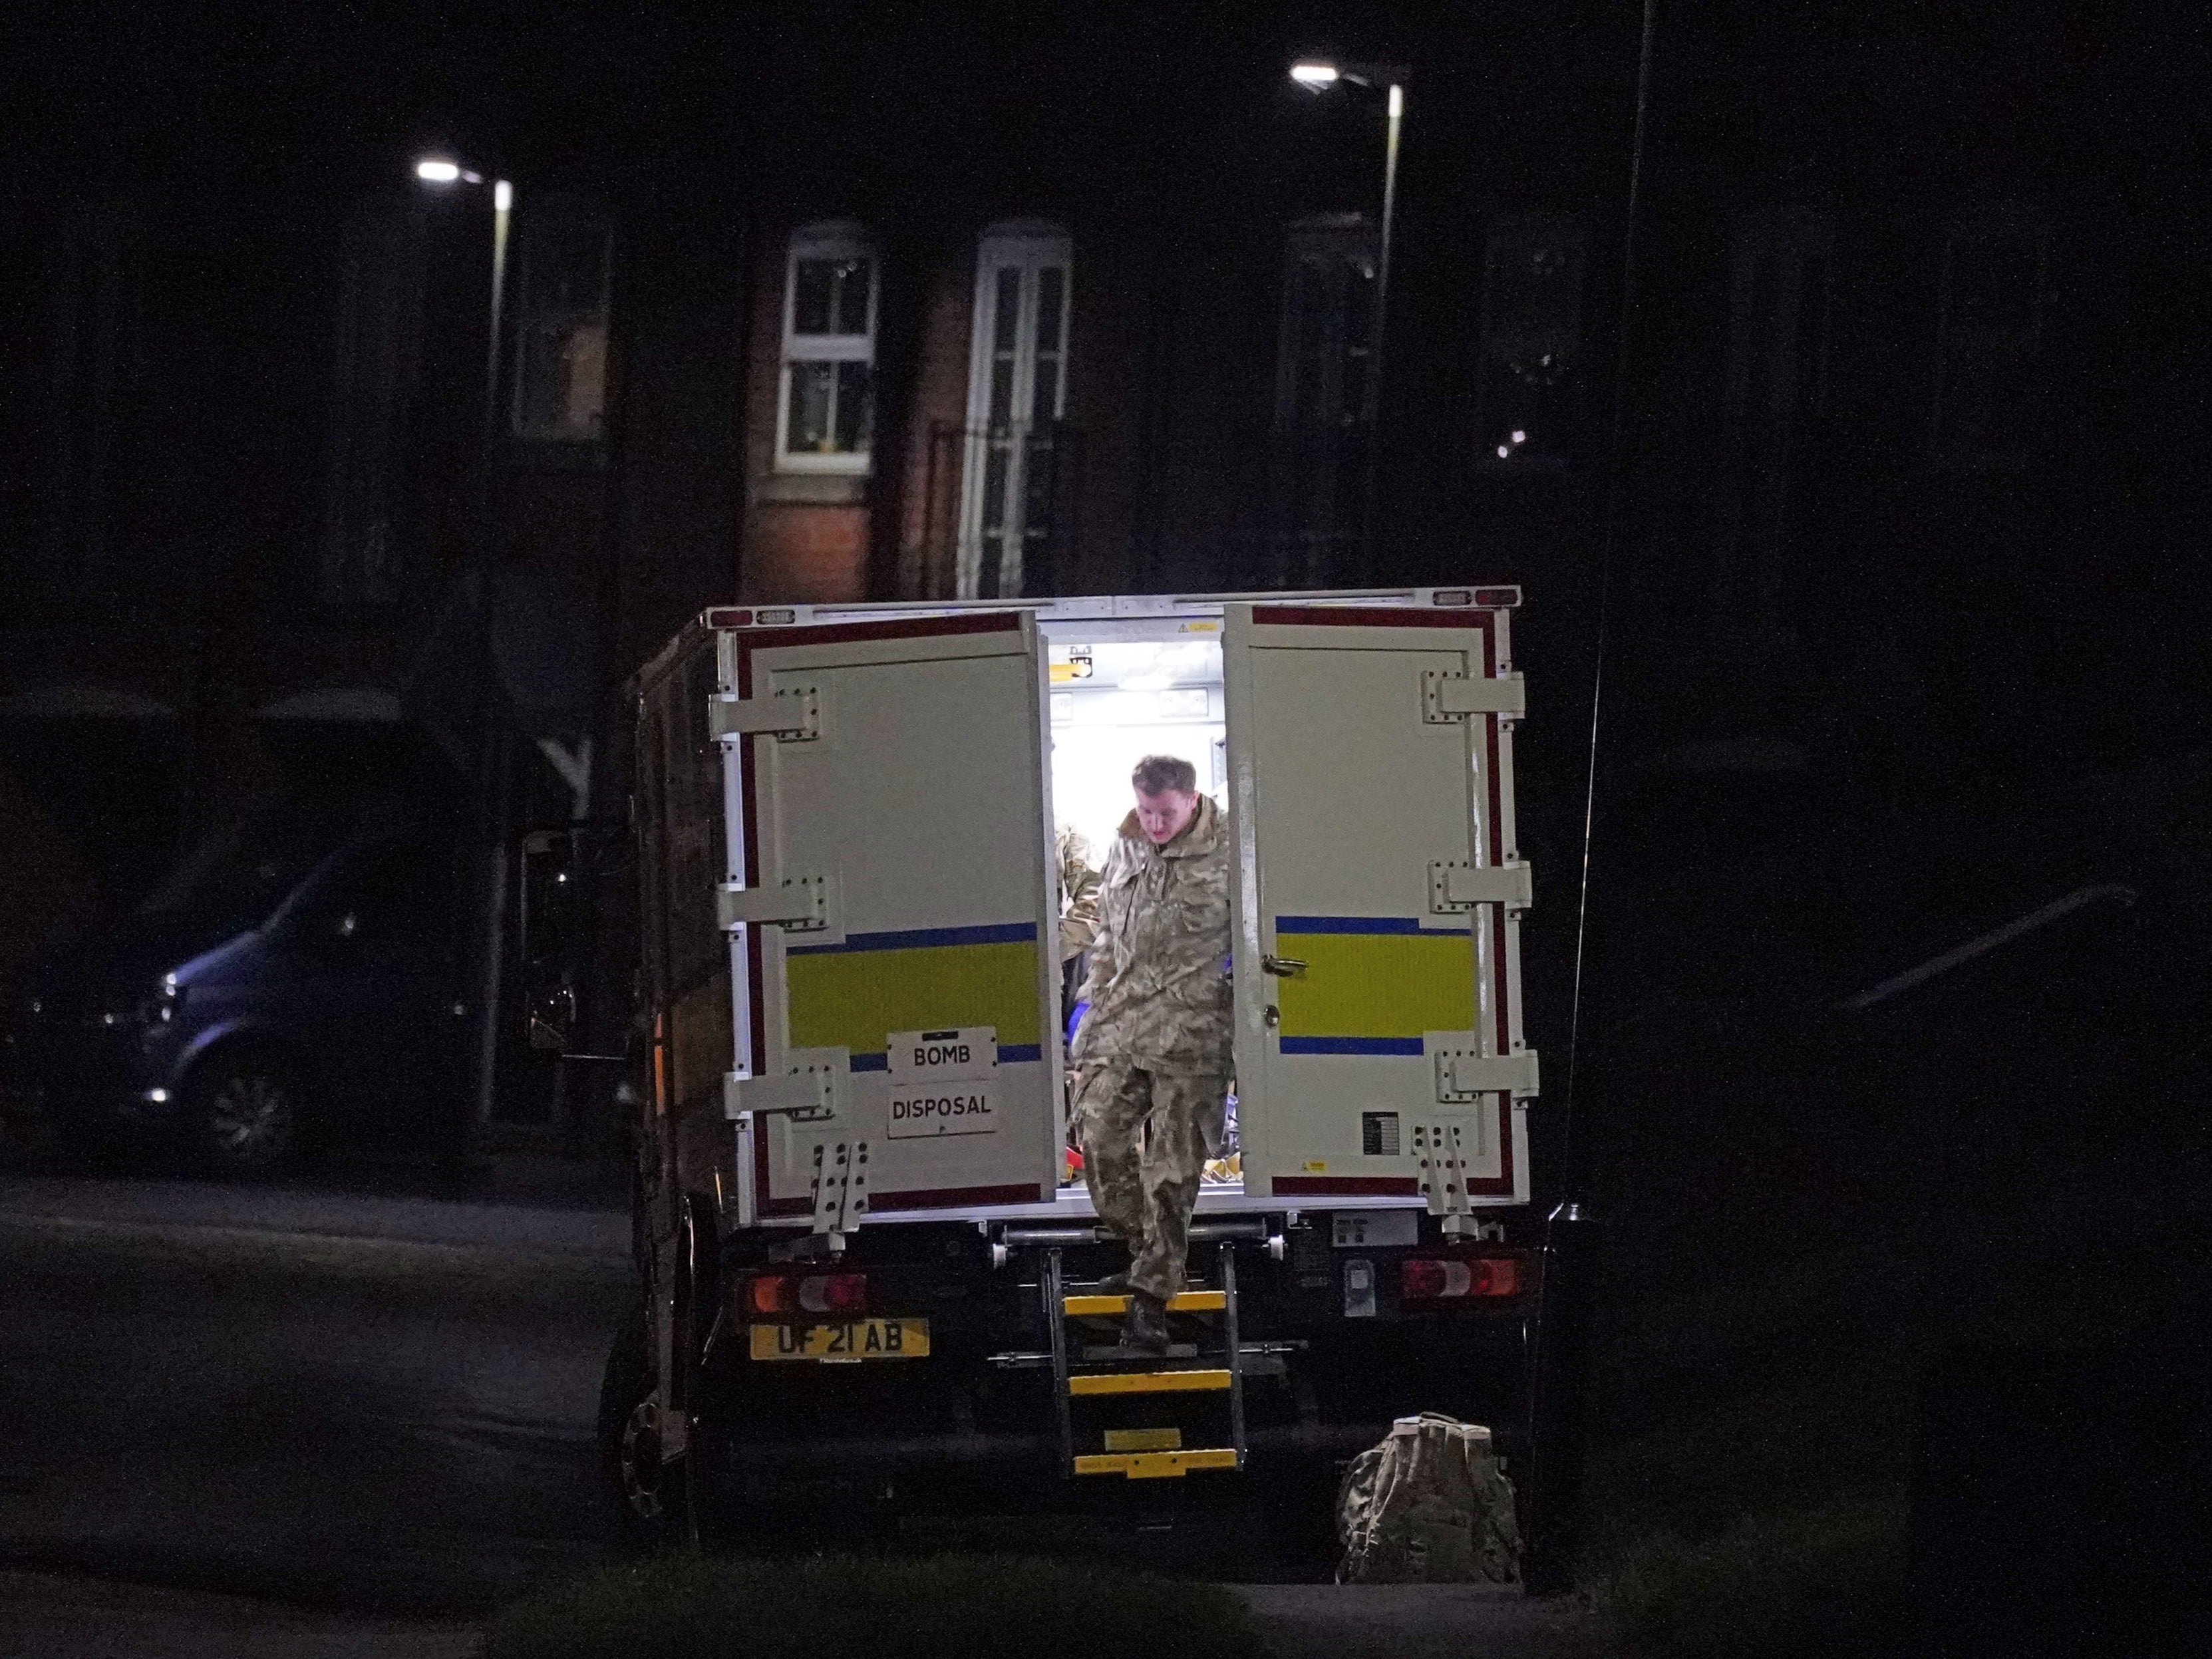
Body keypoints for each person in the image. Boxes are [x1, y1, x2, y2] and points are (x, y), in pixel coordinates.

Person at [1068, 754, 1233, 1354]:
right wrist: (1090, 1013)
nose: (1154, 824)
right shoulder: (1127, 844)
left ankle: (1150, 1303)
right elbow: (1109, 936)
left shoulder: (1233, 847)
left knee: (1170, 1174)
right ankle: (1149, 1256)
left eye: (1164, 813)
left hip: (1194, 1036)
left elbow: (1262, 930)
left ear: (1192, 800)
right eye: (1145, 810)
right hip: (1125, 1022)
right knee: (1101, 1142)